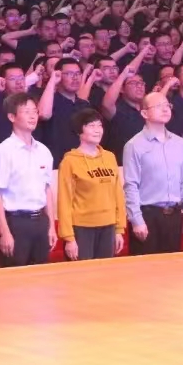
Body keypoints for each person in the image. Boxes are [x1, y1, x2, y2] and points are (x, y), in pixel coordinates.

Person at [121, 92, 183, 255]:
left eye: (167, 105)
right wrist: (136, 220)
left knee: (172, 266)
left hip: (174, 215)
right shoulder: (134, 145)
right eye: (158, 106)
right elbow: (131, 186)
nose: (165, 109)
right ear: (144, 113)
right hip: (148, 215)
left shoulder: (179, 143)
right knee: (146, 268)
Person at [0, 92, 57, 267]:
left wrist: (51, 226)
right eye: (26, 111)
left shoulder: (43, 151)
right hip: (16, 223)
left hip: (40, 221)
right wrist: (5, 232)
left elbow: (46, 189)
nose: (33, 116)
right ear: (12, 117)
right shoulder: (2, 152)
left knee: (41, 275)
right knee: (15, 277)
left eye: (35, 111)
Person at [56, 108, 126, 261]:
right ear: (79, 131)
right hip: (82, 228)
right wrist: (69, 238)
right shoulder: (69, 161)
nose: (97, 130)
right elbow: (64, 201)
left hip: (108, 226)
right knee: (83, 272)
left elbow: (118, 195)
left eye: (99, 125)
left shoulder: (109, 157)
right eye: (91, 126)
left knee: (105, 272)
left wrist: (119, 229)